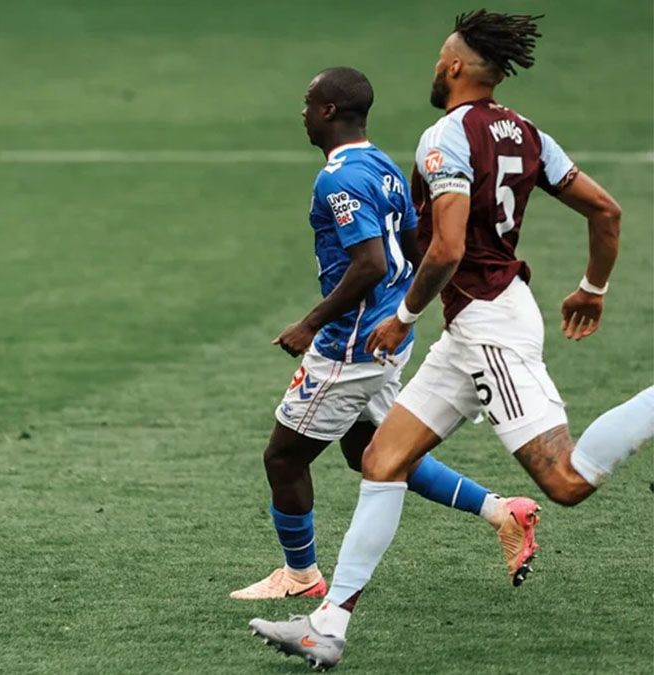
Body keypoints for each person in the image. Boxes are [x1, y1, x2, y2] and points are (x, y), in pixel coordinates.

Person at [250, 11, 653, 670]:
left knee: (566, 479)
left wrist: (405, 315)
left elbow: (446, 247)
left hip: (489, 323)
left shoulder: (446, 136)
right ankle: (328, 626)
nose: (436, 67)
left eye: (442, 57)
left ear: (458, 67)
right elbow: (606, 210)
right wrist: (592, 287)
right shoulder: (529, 133)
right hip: (474, 325)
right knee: (381, 460)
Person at [230, 67, 535, 602]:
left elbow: (370, 263)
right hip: (388, 337)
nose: (302, 112)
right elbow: (415, 247)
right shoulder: (383, 166)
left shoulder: (338, 178)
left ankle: (300, 576)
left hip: (351, 346)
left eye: (308, 102)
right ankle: (501, 511)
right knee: (371, 451)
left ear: (328, 111)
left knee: (283, 457)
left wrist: (310, 323)